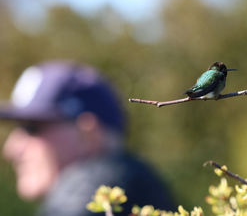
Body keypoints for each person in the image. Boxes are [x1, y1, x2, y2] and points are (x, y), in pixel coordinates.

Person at [0, 60, 174, 216]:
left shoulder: (86, 200)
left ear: (87, 134)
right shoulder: (138, 183)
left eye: (32, 128)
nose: (11, 149)